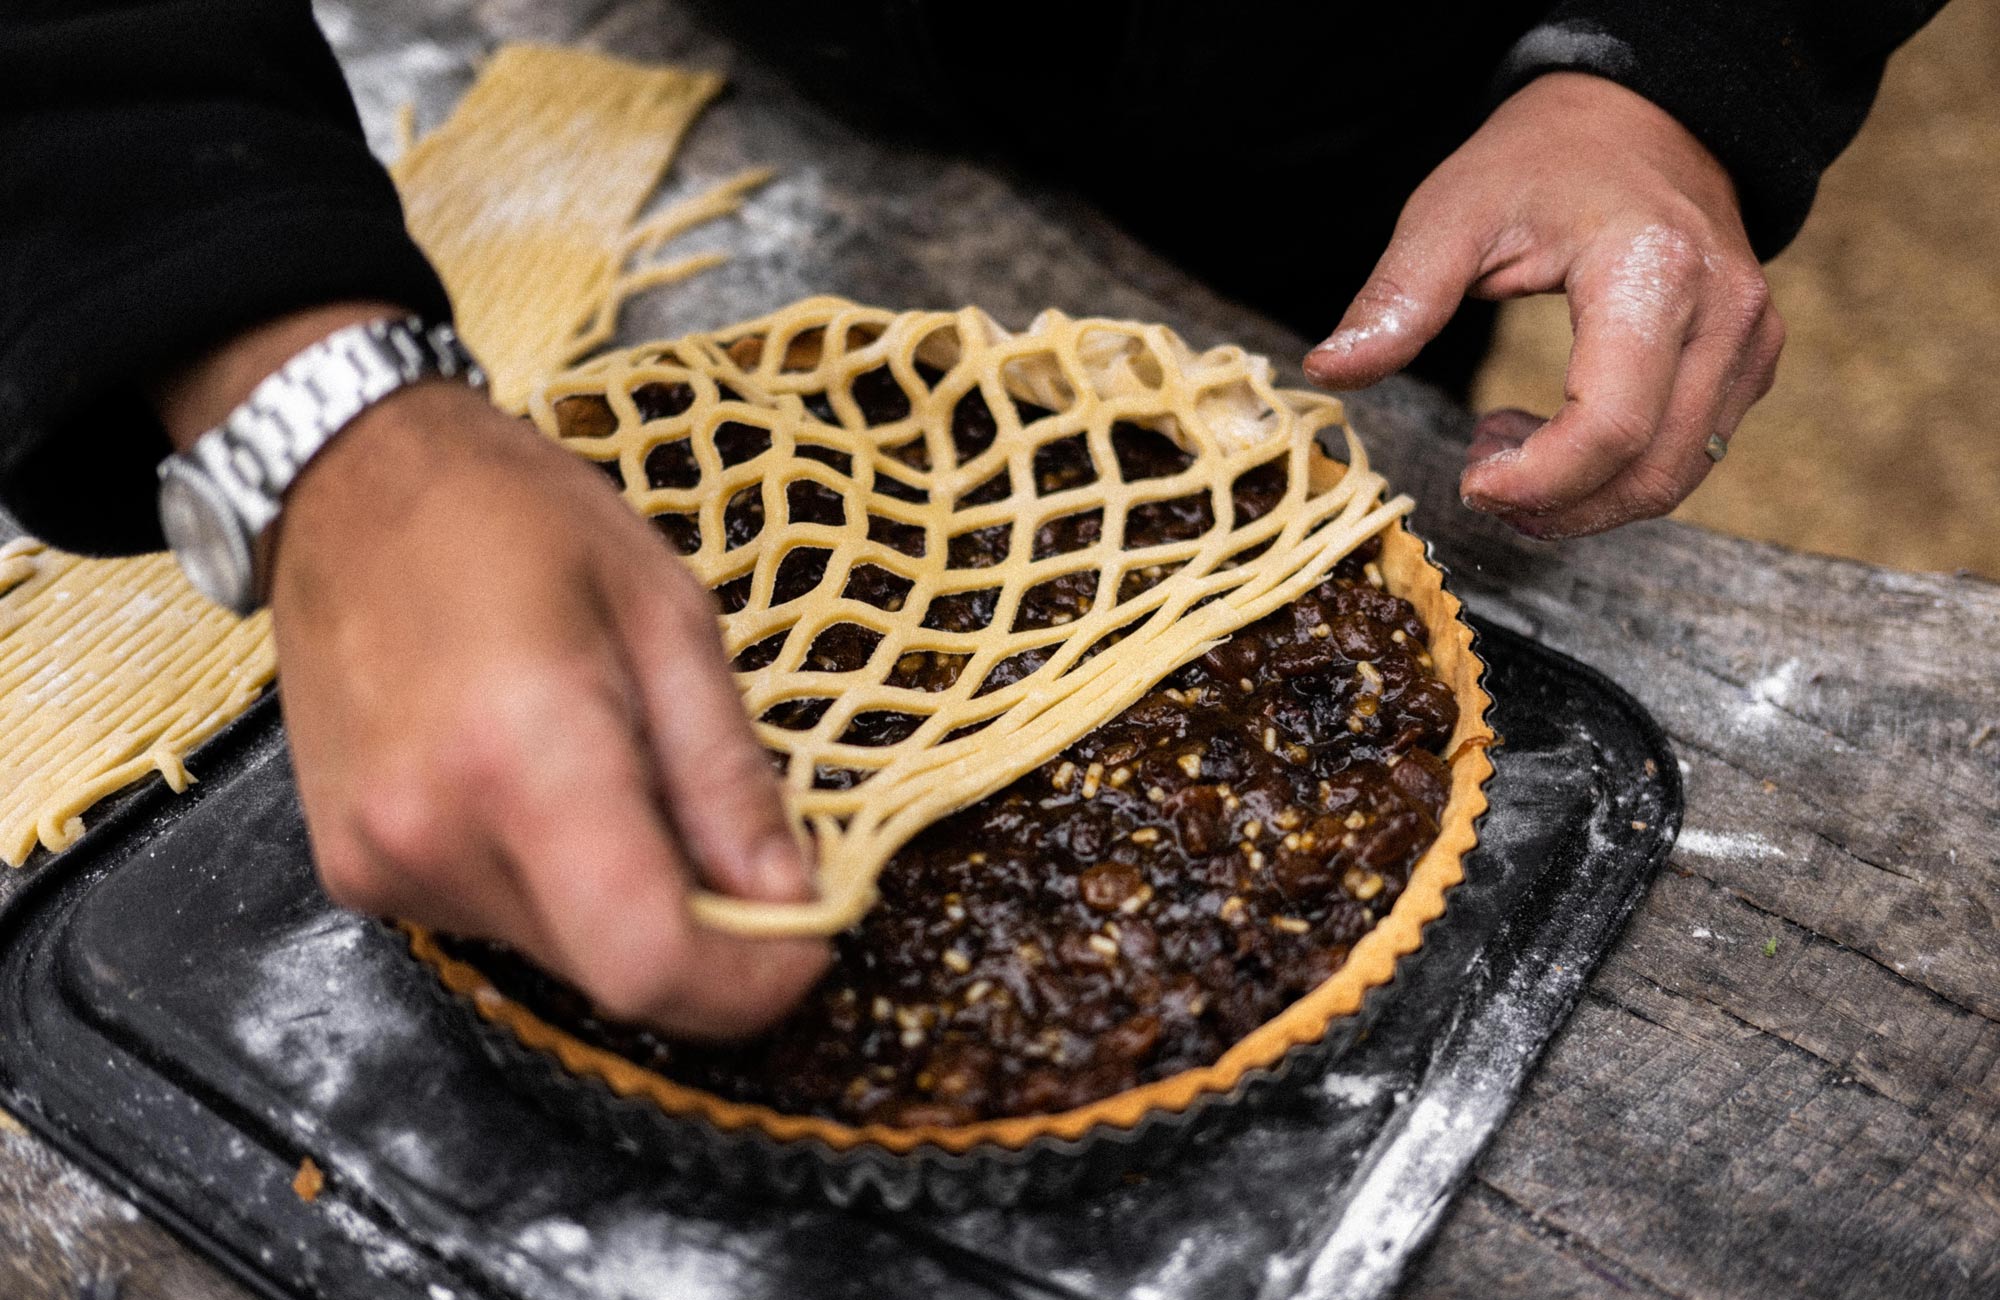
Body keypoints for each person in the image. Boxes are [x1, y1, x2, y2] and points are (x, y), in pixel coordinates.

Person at [0, 1, 1946, 1039]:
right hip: (739, 36)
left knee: (1336, 355)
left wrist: (1673, 71)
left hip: (1337, 101)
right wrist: (276, 361)